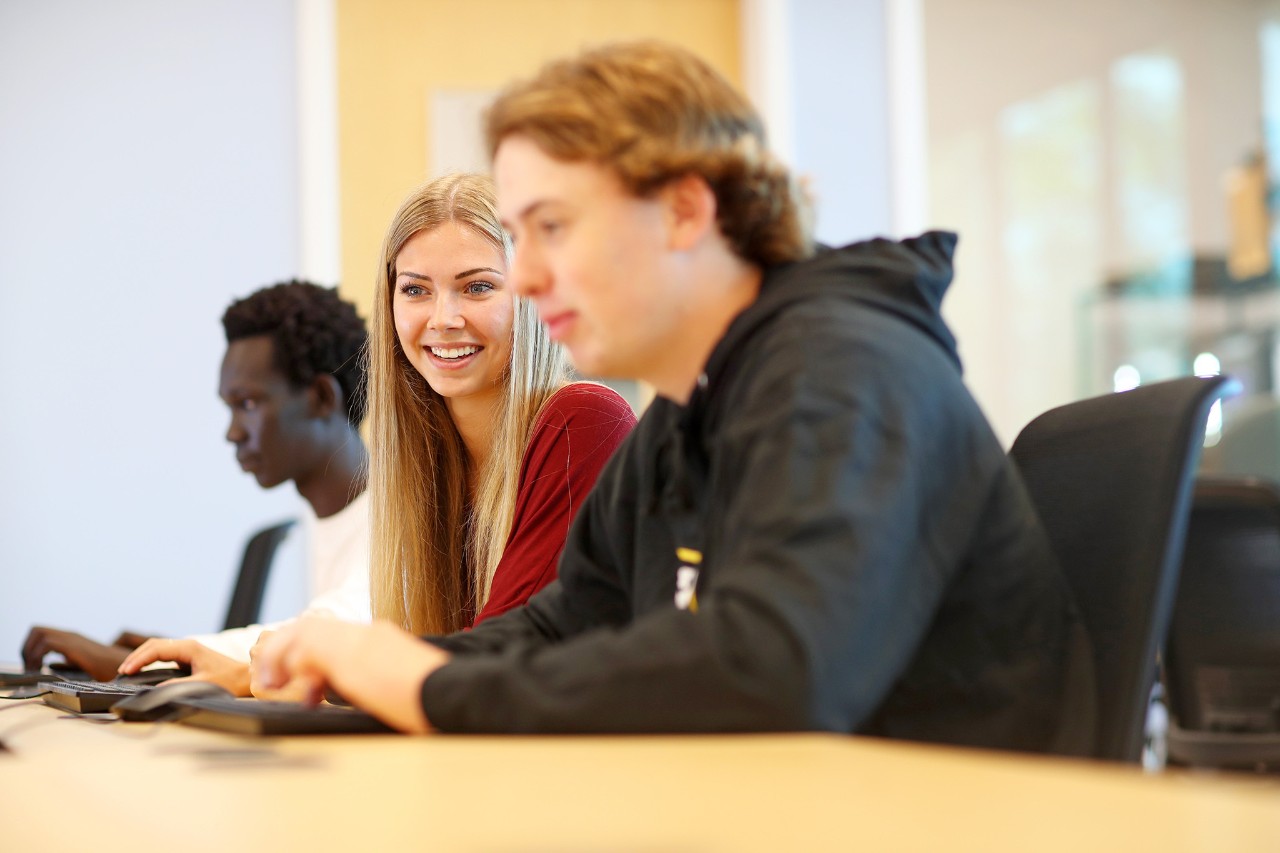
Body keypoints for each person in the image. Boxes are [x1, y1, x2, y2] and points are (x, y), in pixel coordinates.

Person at [253, 41, 1097, 755]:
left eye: (551, 227)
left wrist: (428, 686)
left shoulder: (842, 370)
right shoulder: (686, 412)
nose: (530, 276)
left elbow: (776, 668)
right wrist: (369, 670)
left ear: (686, 209)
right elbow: (563, 625)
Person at [124, 174, 636, 692]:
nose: (443, 318)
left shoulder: (586, 421)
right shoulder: (427, 457)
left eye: (477, 286)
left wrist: (324, 663)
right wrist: (240, 674)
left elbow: (506, 658)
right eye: (415, 290)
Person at [23, 281, 372, 687]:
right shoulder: (335, 520)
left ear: (320, 397)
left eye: (248, 404)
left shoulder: (403, 520)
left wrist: (174, 654)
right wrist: (177, 650)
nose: (233, 433)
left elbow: (335, 635)